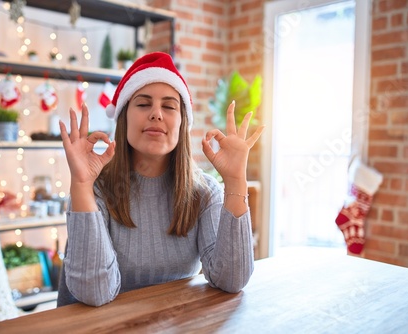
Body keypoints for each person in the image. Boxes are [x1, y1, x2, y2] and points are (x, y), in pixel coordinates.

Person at [57, 52, 264, 307]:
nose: (156, 114)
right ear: (123, 118)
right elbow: (95, 293)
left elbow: (231, 280)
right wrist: (80, 185)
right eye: (143, 104)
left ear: (181, 122)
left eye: (168, 106)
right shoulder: (94, 191)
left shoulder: (204, 192)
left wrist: (235, 181)